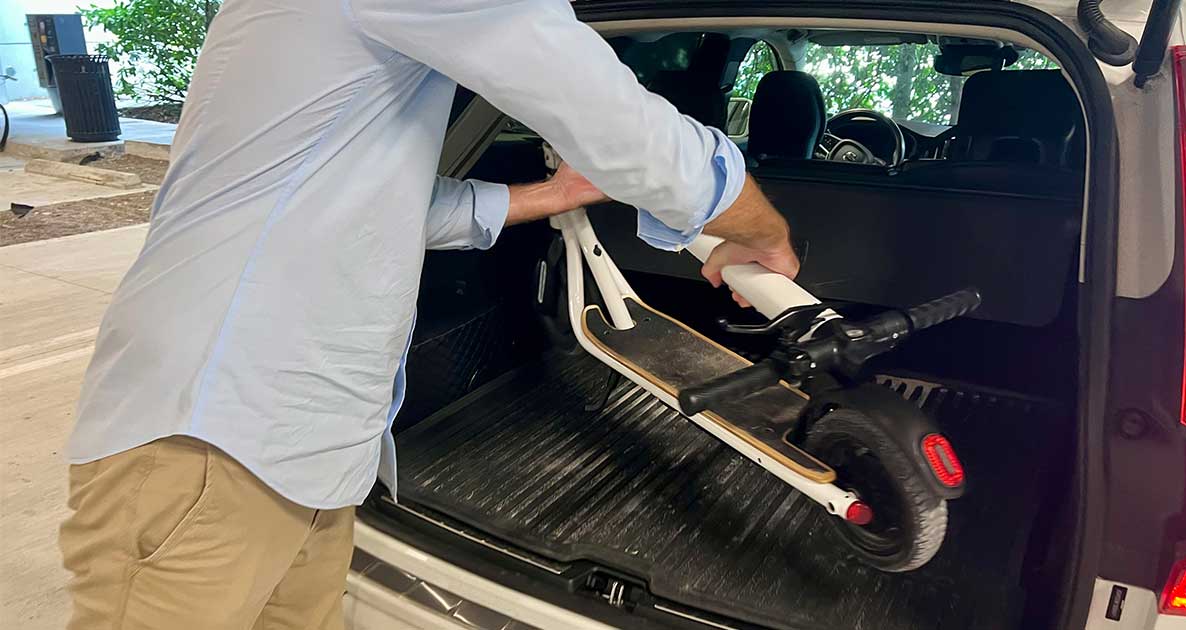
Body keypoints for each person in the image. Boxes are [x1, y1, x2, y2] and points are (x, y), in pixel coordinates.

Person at [57, 1, 800, 628]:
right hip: (209, 439)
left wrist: (549, 198)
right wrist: (762, 230)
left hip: (310, 455)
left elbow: (367, 198)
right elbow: (616, 123)